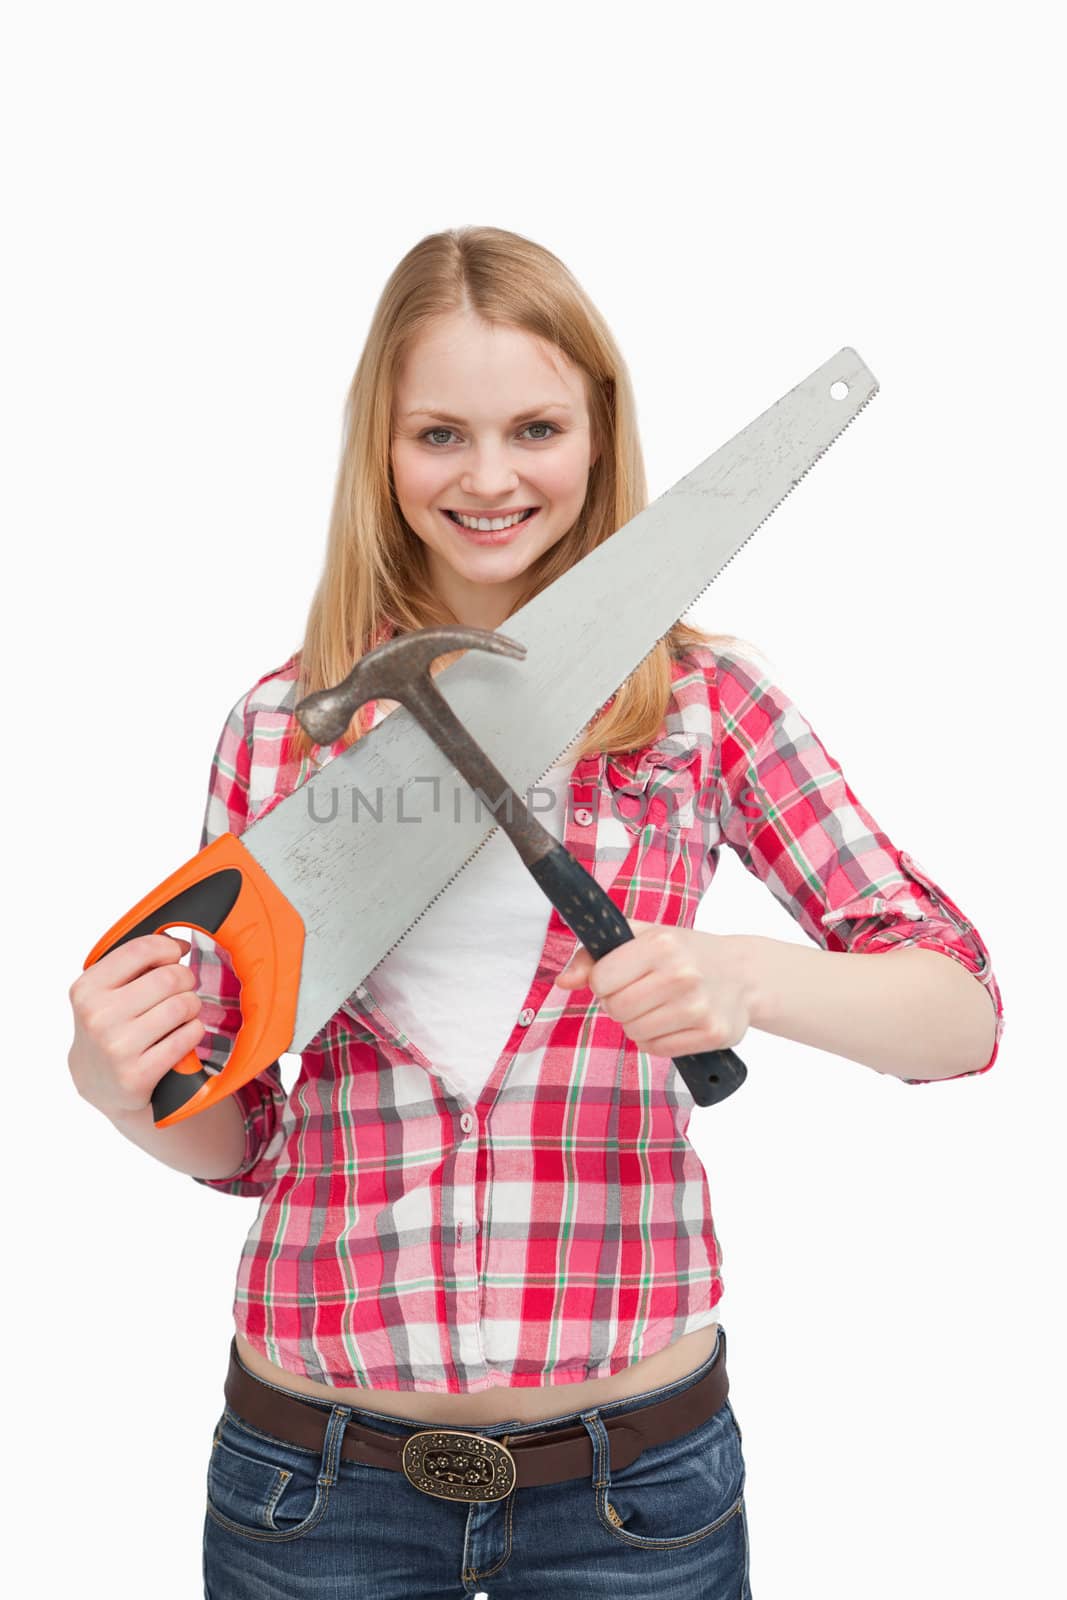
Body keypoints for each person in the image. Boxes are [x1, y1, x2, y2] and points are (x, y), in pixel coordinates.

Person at [67, 226, 1005, 1599]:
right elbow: (252, 1143)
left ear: (599, 433)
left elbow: (958, 1013)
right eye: (439, 432)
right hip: (313, 1493)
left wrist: (748, 977)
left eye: (536, 427)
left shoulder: (704, 709)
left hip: (634, 1495)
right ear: (378, 452)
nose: (491, 477)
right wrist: (124, 1086)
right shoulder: (282, 732)